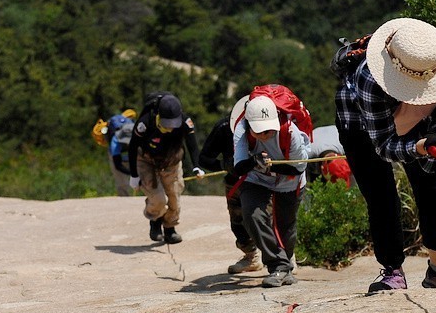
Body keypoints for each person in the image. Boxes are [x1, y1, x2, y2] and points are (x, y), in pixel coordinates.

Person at [334, 17, 436, 293]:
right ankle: (392, 271)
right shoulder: (369, 79)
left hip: (420, 117)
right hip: (360, 123)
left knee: (435, 190)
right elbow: (384, 146)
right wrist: (416, 148)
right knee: (381, 195)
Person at [232, 94, 310, 287]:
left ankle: (285, 266)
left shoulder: (290, 131)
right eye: (260, 131)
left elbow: (298, 168)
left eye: (269, 130)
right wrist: (254, 161)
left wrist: (271, 166)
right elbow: (239, 167)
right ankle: (278, 266)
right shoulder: (241, 130)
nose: (266, 135)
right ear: (250, 126)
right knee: (253, 215)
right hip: (256, 179)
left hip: (289, 182)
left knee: (286, 227)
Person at [127, 92, 204, 244]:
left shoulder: (185, 122)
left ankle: (170, 228)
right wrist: (134, 175)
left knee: (174, 198)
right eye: (166, 124)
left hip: (171, 161)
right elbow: (132, 147)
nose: (170, 128)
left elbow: (192, 144)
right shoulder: (145, 122)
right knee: (159, 199)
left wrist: (197, 166)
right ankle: (155, 220)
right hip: (146, 160)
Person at [197, 97, 260, 273]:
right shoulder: (224, 127)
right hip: (236, 182)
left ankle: (284, 258)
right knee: (238, 223)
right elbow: (204, 158)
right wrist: (225, 165)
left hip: (266, 180)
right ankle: (251, 256)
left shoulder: (277, 126)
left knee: (271, 219)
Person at [106, 110, 137, 196]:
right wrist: (131, 173)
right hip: (118, 156)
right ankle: (124, 197)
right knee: (122, 182)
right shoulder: (115, 142)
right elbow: (118, 165)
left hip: (131, 154)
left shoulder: (137, 136)